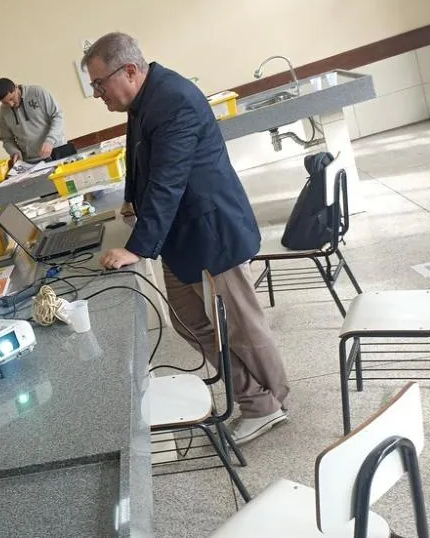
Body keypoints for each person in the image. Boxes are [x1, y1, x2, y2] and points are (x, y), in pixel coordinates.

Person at [84, 32, 290, 445]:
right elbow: (139, 159)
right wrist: (130, 200)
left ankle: (272, 403)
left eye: (98, 84)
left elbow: (169, 181)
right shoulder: (143, 100)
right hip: (182, 236)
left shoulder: (173, 99)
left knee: (241, 328)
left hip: (210, 232)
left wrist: (136, 247)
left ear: (128, 71)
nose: (96, 93)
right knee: (187, 321)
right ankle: (255, 398)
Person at [0, 77, 66, 165]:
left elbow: (57, 116)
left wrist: (50, 140)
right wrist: (14, 152)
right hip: (31, 162)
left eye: (12, 98)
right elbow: (7, 139)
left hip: (57, 151)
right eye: (5, 103)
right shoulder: (3, 113)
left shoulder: (37, 92)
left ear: (16, 87)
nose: (11, 104)